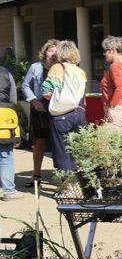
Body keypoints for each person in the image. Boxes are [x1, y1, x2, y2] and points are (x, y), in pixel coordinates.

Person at [41, 40, 87, 172]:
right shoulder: (80, 71)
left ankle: (67, 187)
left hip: (61, 116)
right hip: (79, 114)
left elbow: (45, 92)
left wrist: (57, 99)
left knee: (62, 153)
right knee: (76, 151)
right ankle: (78, 184)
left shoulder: (57, 68)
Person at [21, 39, 59, 186]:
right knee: (39, 143)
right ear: (45, 52)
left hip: (57, 109)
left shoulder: (62, 68)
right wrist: (33, 101)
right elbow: (25, 85)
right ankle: (36, 175)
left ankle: (60, 175)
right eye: (50, 51)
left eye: (56, 51)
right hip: (39, 109)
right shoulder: (35, 67)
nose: (53, 54)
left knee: (58, 143)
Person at [100, 36, 122, 131]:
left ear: (113, 51)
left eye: (105, 51)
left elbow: (120, 88)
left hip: (117, 110)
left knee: (101, 142)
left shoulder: (115, 66)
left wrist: (111, 107)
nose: (104, 54)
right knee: (118, 144)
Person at [0, 63, 21, 201]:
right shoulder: (6, 73)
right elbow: (13, 99)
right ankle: (8, 190)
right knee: (5, 156)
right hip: (5, 118)